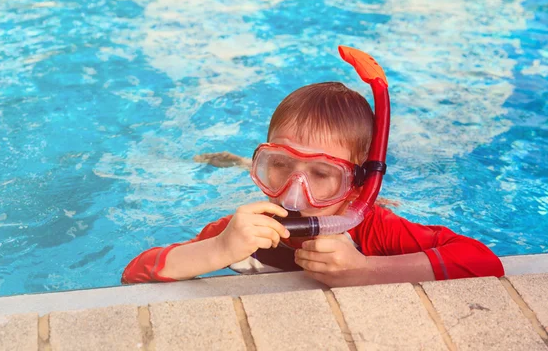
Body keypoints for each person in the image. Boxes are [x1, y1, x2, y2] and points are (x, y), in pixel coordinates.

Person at [121, 47, 504, 287]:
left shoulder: (376, 231)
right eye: (279, 165)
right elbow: (134, 272)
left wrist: (368, 271)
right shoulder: (242, 232)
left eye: (322, 175)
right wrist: (218, 249)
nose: (293, 190)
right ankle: (245, 164)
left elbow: (483, 262)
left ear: (356, 184)